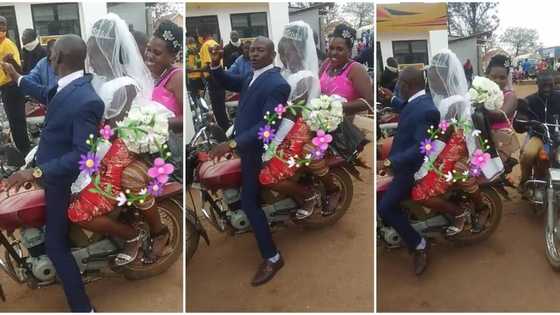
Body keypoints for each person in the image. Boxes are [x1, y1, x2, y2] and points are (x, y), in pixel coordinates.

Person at [1, 34, 104, 312]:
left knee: (56, 246)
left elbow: (82, 156)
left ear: (55, 58)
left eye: (52, 52)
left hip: (60, 179)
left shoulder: (87, 100)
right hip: (47, 165)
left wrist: (35, 173)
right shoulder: (70, 83)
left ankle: (84, 308)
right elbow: (46, 94)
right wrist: (17, 76)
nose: (50, 56)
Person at [67, 13, 173, 266]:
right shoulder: (98, 81)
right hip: (100, 147)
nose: (88, 58)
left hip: (117, 148)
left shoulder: (124, 85)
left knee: (80, 211)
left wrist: (81, 176)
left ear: (107, 51)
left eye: (92, 51)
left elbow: (109, 134)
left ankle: (134, 234)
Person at [208, 37, 288, 286]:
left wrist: (232, 144)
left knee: (248, 202)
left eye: (260, 50)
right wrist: (215, 65)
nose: (254, 54)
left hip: (256, 149)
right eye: (252, 50)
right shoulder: (250, 75)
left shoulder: (277, 84)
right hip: (243, 142)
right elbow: (228, 81)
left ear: (272, 54)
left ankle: (273, 257)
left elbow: (267, 128)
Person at [411, 50, 487, 235]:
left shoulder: (453, 103)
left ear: (444, 76)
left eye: (433, 74)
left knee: (420, 193)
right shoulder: (444, 99)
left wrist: (425, 166)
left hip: (456, 149)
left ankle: (459, 212)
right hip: (449, 145)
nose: (430, 78)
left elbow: (442, 137)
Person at [258, 21, 327, 218]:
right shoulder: (288, 73)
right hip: (283, 126)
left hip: (297, 132)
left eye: (287, 53)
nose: (283, 57)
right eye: (281, 53)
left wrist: (273, 146)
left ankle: (308, 195)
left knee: (267, 176)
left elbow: (292, 113)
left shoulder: (306, 78)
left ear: (300, 52)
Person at [378, 67, 440, 275]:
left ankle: (420, 244)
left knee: (385, 207)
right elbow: (407, 107)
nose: (397, 87)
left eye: (398, 84)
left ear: (407, 85)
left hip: (410, 169)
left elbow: (420, 149)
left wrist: (390, 163)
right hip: (400, 160)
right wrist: (392, 99)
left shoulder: (427, 111)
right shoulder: (418, 101)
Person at [319, 24, 373, 166]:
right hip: (321, 121)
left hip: (343, 129)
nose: (333, 53)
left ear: (349, 51)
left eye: (339, 49)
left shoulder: (355, 69)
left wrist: (337, 107)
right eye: (331, 48)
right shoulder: (326, 64)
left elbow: (369, 102)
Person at [146, 20, 184, 170]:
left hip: (171, 154)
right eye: (148, 49)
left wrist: (158, 122)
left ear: (172, 57)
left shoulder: (177, 77)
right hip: (151, 148)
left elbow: (185, 120)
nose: (149, 55)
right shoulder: (151, 75)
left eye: (157, 53)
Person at [519, 71, 560, 188]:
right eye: (543, 85)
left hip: (558, 138)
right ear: (537, 84)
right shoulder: (530, 100)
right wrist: (523, 120)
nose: (547, 89)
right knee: (528, 154)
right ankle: (524, 182)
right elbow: (521, 120)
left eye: (550, 85)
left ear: (553, 84)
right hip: (539, 137)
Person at [0, 16, 31, 158]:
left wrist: (10, 60)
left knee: (17, 122)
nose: (2, 28)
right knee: (14, 122)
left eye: (4, 25)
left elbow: (19, 71)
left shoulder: (8, 44)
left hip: (12, 88)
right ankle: (22, 150)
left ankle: (25, 152)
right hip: (5, 88)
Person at [485, 54, 520, 163]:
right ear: (487, 76)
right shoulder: (482, 93)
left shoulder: (510, 96)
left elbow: (500, 115)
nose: (497, 81)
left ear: (507, 78)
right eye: (493, 76)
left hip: (501, 142)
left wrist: (480, 106)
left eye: (502, 77)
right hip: (482, 138)